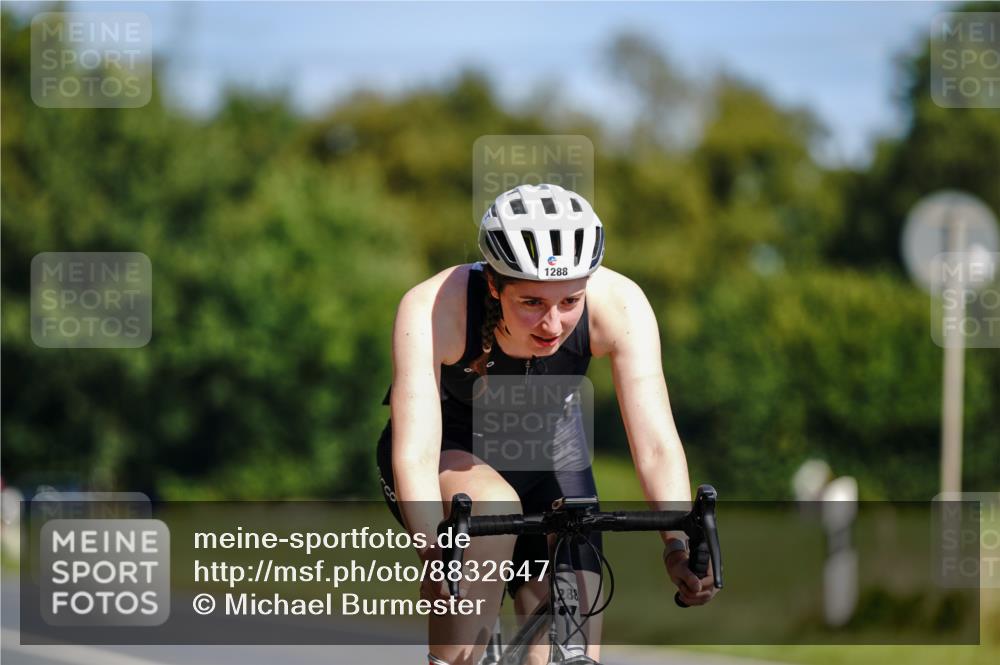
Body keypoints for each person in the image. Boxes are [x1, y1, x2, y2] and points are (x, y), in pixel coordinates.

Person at [376, 184, 717, 665]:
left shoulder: (620, 304)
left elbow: (657, 444)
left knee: (565, 653)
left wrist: (677, 545)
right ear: (494, 285)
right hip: (450, 457)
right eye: (532, 302)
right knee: (467, 625)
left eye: (570, 301)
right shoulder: (435, 307)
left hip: (551, 459)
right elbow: (414, 452)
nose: (553, 325)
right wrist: (435, 553)